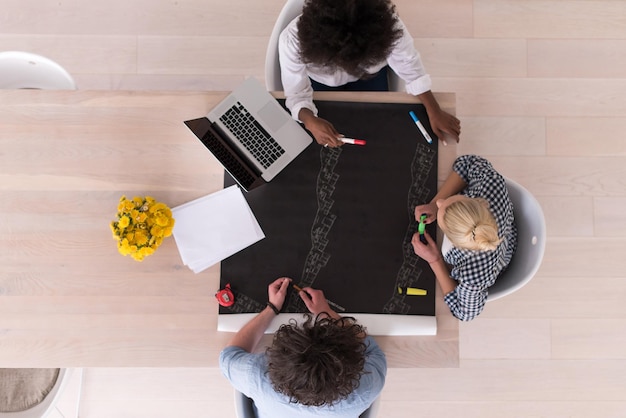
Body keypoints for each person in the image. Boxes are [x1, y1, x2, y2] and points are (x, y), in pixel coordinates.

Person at [279, 0, 461, 148]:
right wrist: (310, 120)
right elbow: (297, 94)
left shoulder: (385, 25)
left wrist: (433, 109)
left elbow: (409, 65)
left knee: (377, 127)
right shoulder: (292, 42)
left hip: (369, 77)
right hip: (319, 83)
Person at [219, 277, 386, 417]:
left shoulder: (257, 377)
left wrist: (272, 308)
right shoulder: (367, 386)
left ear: (275, 361)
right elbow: (372, 350)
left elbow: (229, 355)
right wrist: (326, 313)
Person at [411, 155, 517, 321]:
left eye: (441, 209)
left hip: (498, 263)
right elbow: (468, 162)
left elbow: (465, 313)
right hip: (504, 236)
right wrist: (435, 203)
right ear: (479, 202)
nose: (440, 203)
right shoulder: (492, 186)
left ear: (455, 243)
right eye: (446, 203)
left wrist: (435, 260)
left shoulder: (473, 276)